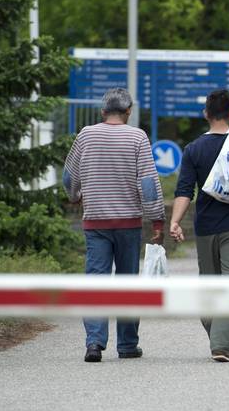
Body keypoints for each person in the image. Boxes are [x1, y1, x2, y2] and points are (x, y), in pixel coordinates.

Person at [63, 87, 165, 363]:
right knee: (127, 282)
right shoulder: (137, 137)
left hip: (95, 221)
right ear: (129, 112)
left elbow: (69, 175)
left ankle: (94, 343)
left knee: (96, 280)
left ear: (102, 111)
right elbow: (147, 184)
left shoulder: (86, 135)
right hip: (128, 223)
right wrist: (157, 219)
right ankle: (128, 344)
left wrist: (75, 196)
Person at [169, 89, 229, 362]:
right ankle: (220, 341)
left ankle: (219, 338)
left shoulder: (193, 149)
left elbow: (185, 191)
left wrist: (175, 221)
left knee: (209, 285)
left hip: (206, 226)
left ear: (206, 114)